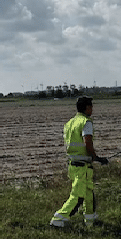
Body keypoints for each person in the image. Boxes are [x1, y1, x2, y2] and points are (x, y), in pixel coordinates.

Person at [50, 96, 108, 228]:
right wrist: (96, 157)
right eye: (91, 107)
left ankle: (90, 220)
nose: (92, 109)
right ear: (87, 108)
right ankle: (58, 219)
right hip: (82, 166)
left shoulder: (70, 123)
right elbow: (87, 142)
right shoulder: (86, 122)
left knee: (88, 192)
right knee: (78, 196)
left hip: (73, 164)